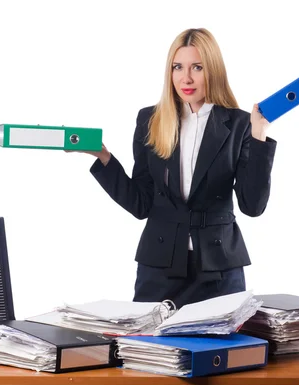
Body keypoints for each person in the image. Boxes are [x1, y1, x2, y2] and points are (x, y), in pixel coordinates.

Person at [80, 28, 277, 308]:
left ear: (214, 70)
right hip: (159, 267)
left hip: (219, 269)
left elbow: (252, 206)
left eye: (197, 67)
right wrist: (103, 158)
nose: (186, 78)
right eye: (178, 67)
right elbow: (141, 203)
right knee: (151, 351)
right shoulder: (150, 119)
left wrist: (259, 135)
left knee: (220, 350)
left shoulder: (239, 124)